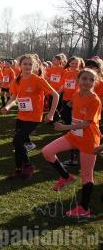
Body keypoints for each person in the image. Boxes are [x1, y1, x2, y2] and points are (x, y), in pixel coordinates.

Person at [42, 69, 100, 218]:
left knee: (87, 175)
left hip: (88, 141)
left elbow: (86, 124)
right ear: (78, 80)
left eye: (91, 80)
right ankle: (66, 177)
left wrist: (64, 127)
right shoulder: (75, 94)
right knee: (47, 151)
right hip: (73, 136)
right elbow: (72, 110)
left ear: (95, 82)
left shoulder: (95, 100)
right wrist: (56, 115)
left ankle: (84, 209)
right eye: (84, 79)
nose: (87, 82)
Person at [1, 54, 59, 180]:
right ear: (20, 65)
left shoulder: (38, 80)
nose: (27, 66)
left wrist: (51, 113)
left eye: (30, 64)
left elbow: (55, 95)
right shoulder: (18, 80)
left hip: (33, 117)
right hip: (21, 116)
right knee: (18, 144)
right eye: (25, 64)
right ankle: (18, 170)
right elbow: (13, 97)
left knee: (17, 141)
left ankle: (28, 165)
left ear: (34, 66)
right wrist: (7, 106)